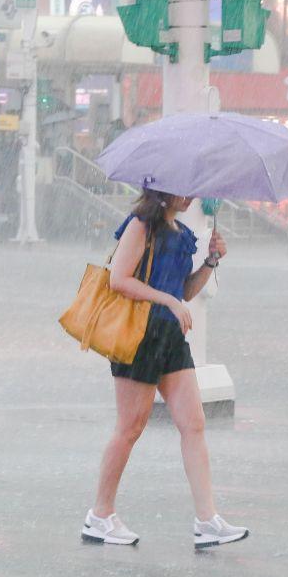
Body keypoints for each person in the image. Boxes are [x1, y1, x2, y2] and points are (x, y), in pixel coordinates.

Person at [82, 188, 249, 549]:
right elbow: (119, 280)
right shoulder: (141, 226)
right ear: (161, 187)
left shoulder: (182, 234)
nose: (189, 196)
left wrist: (210, 261)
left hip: (171, 336)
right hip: (138, 335)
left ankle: (207, 520)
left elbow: (186, 292)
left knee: (193, 424)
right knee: (130, 428)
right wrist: (166, 299)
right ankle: (99, 515)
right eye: (182, 189)